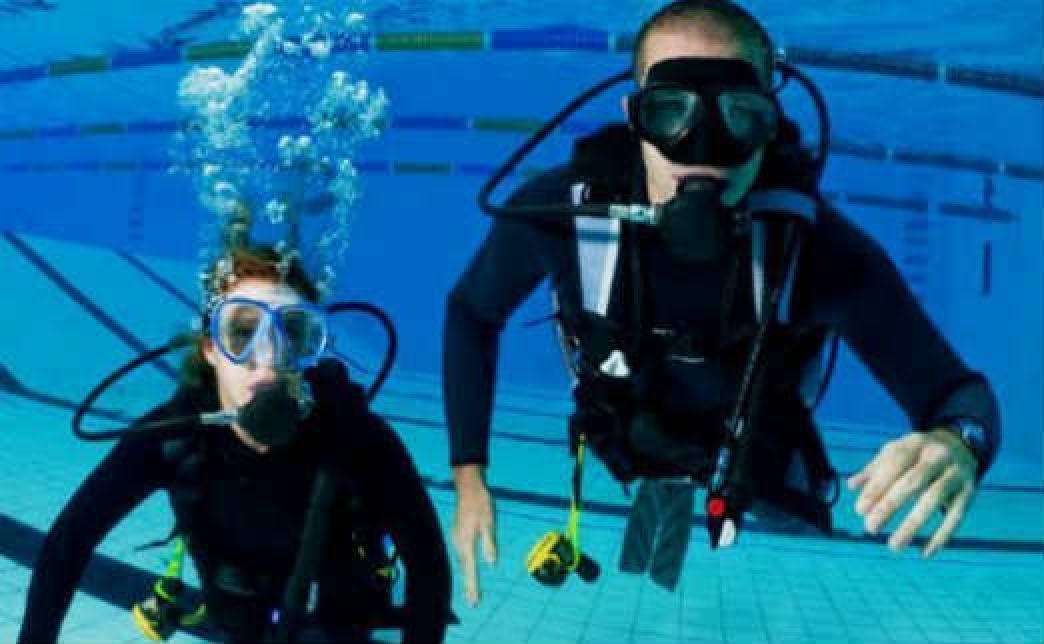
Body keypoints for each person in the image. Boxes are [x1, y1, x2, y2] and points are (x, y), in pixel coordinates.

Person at [444, 0, 1000, 604]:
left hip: (756, 441)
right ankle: (666, 512)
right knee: (646, 479)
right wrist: (469, 476)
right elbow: (471, 313)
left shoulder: (815, 249)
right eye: (670, 111)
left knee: (795, 523)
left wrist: (957, 444)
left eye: (739, 115)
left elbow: (956, 393)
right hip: (630, 425)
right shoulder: (563, 214)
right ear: (635, 118)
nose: (702, 146)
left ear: (770, 123)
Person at [18, 245, 453, 643]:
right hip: (239, 622)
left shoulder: (355, 436)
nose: (269, 356)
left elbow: (428, 565)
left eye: (292, 333)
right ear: (211, 348)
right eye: (243, 332)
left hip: (335, 624)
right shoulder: (174, 438)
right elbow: (67, 544)